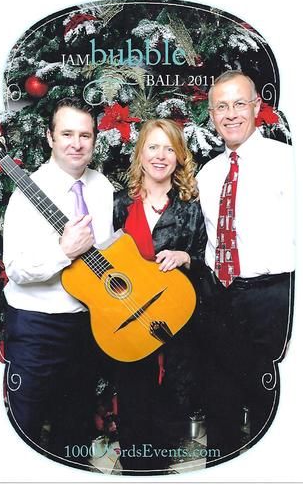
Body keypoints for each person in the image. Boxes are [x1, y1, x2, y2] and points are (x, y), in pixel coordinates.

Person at [3, 98, 114, 460]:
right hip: (37, 327)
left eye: (85, 135)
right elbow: (16, 267)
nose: (76, 143)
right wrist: (63, 252)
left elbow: (107, 252)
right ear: (51, 137)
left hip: (84, 326)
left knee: (75, 427)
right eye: (67, 133)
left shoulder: (102, 187)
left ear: (95, 139)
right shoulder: (26, 193)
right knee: (26, 426)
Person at [196, 70, 295, 466]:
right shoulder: (207, 174)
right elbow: (209, 239)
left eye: (240, 103)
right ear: (212, 114)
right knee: (219, 401)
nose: (231, 114)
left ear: (257, 107)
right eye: (222, 106)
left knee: (268, 404)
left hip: (274, 298)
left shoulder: (289, 161)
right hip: (220, 298)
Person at [113, 119, 207, 474]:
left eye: (169, 148)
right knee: (133, 396)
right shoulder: (120, 205)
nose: (161, 155)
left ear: (179, 157)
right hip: (128, 321)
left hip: (174, 322)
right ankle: (134, 469)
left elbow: (205, 262)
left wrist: (185, 258)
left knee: (170, 398)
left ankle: (159, 469)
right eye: (153, 146)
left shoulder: (190, 206)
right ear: (141, 154)